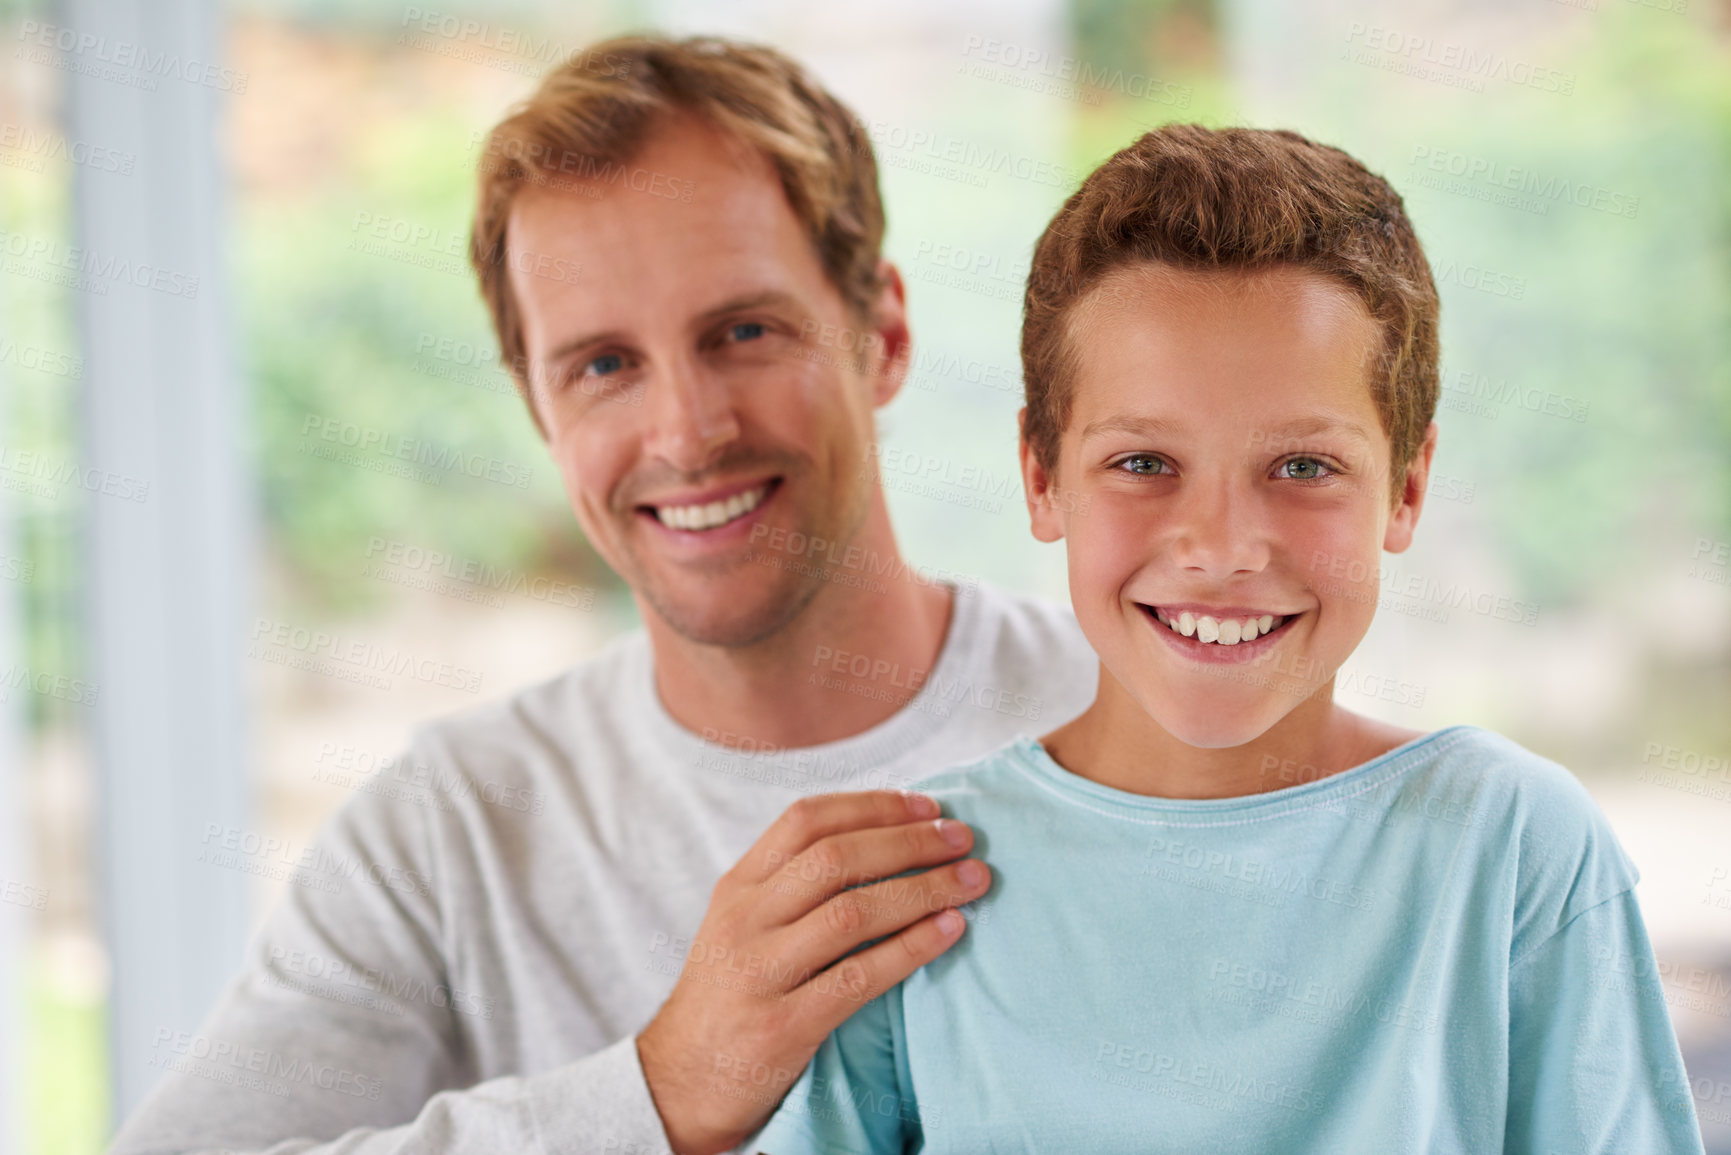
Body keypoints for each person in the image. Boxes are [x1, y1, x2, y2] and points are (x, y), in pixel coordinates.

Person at [108, 36, 1098, 1155]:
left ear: (884, 336)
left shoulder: (1139, 732)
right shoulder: (452, 831)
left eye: (743, 332)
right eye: (603, 367)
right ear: (541, 413)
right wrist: (659, 1092)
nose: (688, 432)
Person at [746, 125, 1707, 1153]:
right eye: (1143, 462)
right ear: (1040, 476)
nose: (1221, 548)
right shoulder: (910, 888)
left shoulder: (1511, 852)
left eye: (1301, 468)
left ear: (1408, 488)